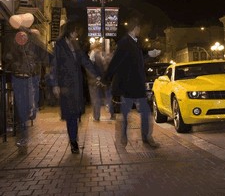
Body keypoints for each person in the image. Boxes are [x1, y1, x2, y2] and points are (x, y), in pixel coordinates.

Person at [103, 11, 160, 148]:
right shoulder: (124, 42)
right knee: (125, 113)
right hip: (128, 85)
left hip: (138, 84)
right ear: (135, 28)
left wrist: (150, 55)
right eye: (139, 28)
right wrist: (106, 78)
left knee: (145, 112)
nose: (140, 31)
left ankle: (146, 138)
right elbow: (115, 62)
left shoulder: (135, 43)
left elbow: (137, 61)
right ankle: (123, 136)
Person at [49, 20, 101, 154]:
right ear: (69, 31)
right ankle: (73, 141)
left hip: (77, 84)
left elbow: (85, 61)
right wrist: (55, 84)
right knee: (71, 113)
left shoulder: (76, 45)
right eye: (74, 31)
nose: (76, 34)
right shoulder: (59, 45)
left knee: (77, 112)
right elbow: (54, 65)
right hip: (65, 85)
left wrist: (96, 75)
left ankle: (73, 137)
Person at [2, 13, 50, 149]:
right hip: (19, 76)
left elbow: (44, 56)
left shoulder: (33, 37)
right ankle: (23, 135)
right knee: (20, 107)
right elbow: (6, 56)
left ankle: (30, 112)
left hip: (30, 76)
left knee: (27, 106)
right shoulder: (11, 38)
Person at [87, 40, 115, 121]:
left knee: (96, 99)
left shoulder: (93, 53)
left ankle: (96, 117)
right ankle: (112, 114)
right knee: (108, 97)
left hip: (95, 80)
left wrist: (95, 77)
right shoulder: (105, 54)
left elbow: (89, 66)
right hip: (105, 80)